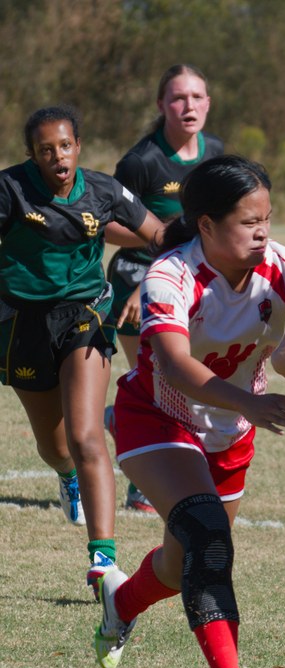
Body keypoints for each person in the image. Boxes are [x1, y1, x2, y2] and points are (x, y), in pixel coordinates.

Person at [93, 155, 285, 668]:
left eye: (268, 219)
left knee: (181, 565)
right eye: (248, 222)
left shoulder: (280, 265)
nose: (263, 233)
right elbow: (176, 366)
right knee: (209, 541)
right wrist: (251, 400)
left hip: (230, 433)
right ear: (206, 225)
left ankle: (121, 604)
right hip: (159, 418)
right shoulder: (170, 276)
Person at [0, 105, 163, 598]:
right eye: (46, 150)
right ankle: (66, 477)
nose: (57, 157)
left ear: (78, 146)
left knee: (87, 434)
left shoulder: (104, 190)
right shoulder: (9, 190)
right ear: (33, 155)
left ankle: (103, 560)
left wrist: (204, 247)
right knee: (55, 447)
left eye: (65, 146)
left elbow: (158, 233)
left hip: (84, 315)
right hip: (22, 325)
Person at [104, 64, 224, 513]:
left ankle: (117, 419)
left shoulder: (216, 151)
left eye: (196, 97)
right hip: (138, 279)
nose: (188, 106)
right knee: (158, 384)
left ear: (208, 103)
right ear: (161, 106)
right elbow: (108, 226)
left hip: (192, 280)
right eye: (178, 98)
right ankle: (144, 485)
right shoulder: (141, 162)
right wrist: (163, 243)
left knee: (184, 379)